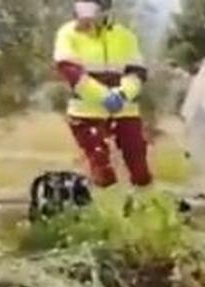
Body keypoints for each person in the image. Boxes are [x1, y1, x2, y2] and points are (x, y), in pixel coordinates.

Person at [53, 0, 152, 191]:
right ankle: (104, 211)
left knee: (139, 168)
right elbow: (70, 71)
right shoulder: (68, 34)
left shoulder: (125, 36)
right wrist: (103, 96)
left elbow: (137, 72)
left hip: (125, 112)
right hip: (86, 114)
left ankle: (143, 210)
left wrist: (123, 94)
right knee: (102, 169)